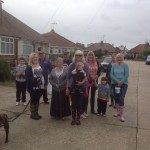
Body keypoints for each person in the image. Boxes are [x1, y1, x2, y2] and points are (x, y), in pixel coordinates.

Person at [67, 50, 89, 125]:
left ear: (82, 56)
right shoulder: (71, 65)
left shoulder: (85, 65)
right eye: (77, 55)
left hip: (82, 87)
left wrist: (82, 82)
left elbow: (87, 76)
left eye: (80, 55)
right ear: (74, 56)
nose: (78, 57)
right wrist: (67, 88)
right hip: (73, 87)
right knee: (73, 104)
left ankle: (78, 119)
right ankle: (73, 119)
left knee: (79, 104)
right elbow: (68, 77)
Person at [25, 53, 47, 120]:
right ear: (31, 59)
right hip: (33, 87)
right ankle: (32, 114)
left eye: (36, 57)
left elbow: (42, 74)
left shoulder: (39, 65)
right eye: (34, 57)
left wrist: (45, 82)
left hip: (41, 86)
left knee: (37, 100)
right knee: (33, 100)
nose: (35, 58)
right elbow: (28, 78)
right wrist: (35, 80)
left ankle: (36, 113)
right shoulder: (29, 67)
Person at [110, 53, 129, 122]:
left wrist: (121, 81)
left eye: (120, 57)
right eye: (118, 57)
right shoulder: (114, 65)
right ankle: (118, 111)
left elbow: (127, 74)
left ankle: (122, 115)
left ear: (123, 58)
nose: (119, 59)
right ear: (116, 58)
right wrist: (117, 81)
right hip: (115, 84)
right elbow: (111, 74)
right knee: (116, 97)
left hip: (124, 84)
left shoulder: (125, 65)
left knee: (121, 97)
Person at [84, 51, 101, 116]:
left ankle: (92, 110)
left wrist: (97, 76)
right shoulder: (85, 63)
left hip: (94, 81)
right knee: (86, 96)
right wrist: (89, 77)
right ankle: (85, 110)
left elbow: (99, 71)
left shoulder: (96, 62)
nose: (90, 57)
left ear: (93, 56)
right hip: (87, 81)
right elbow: (84, 72)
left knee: (93, 96)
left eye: (92, 55)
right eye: (89, 55)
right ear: (87, 56)